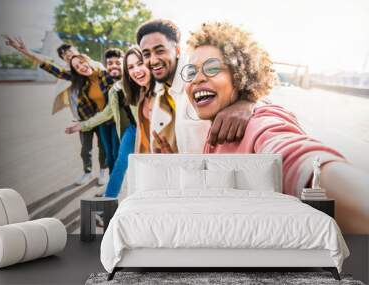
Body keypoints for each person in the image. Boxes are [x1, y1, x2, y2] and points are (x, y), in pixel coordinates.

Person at [177, 21, 368, 233]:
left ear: (240, 76)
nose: (198, 78)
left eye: (212, 68)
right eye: (191, 72)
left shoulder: (259, 122)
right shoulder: (217, 126)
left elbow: (292, 153)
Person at [136, 19, 257, 154]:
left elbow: (258, 91)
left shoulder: (198, 82)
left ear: (177, 50)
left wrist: (247, 103)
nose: (153, 60)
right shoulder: (159, 92)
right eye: (146, 54)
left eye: (159, 51)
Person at [3, 36, 108, 186]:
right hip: (83, 118)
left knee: (104, 147)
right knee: (86, 149)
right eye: (66, 56)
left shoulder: (97, 67)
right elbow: (51, 67)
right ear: (65, 60)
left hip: (102, 116)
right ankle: (88, 172)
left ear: (77, 51)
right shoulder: (73, 74)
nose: (69, 56)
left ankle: (104, 171)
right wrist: (25, 52)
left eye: (71, 52)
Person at [66, 48, 144, 197]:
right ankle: (108, 201)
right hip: (129, 128)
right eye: (131, 67)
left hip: (147, 129)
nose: (136, 70)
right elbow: (107, 112)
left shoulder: (152, 82)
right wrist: (82, 124)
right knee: (117, 160)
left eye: (139, 64)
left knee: (144, 166)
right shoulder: (116, 88)